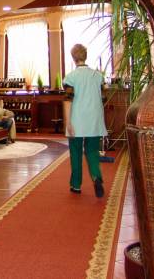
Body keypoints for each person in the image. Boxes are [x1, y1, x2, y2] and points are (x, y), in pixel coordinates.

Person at [63, 44, 107, 198]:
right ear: (85, 56)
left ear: (73, 58)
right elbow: (103, 97)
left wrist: (68, 122)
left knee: (75, 152)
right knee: (92, 151)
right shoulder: (98, 76)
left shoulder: (71, 77)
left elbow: (68, 100)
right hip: (94, 120)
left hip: (77, 120)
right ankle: (96, 177)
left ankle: (76, 185)